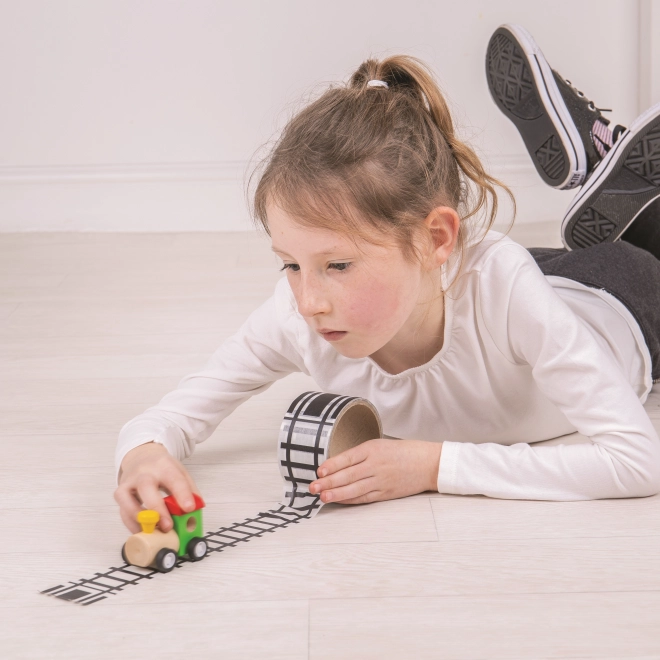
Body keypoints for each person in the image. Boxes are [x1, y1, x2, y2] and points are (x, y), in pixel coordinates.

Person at [114, 23, 660, 535]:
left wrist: (434, 465)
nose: (307, 302)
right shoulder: (300, 310)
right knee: (497, 275)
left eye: (337, 266)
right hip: (455, 287)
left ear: (436, 238)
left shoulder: (502, 284)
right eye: (290, 263)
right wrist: (144, 452)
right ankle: (606, 167)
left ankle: (609, 166)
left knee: (620, 257)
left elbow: (636, 462)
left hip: (619, 298)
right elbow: (171, 415)